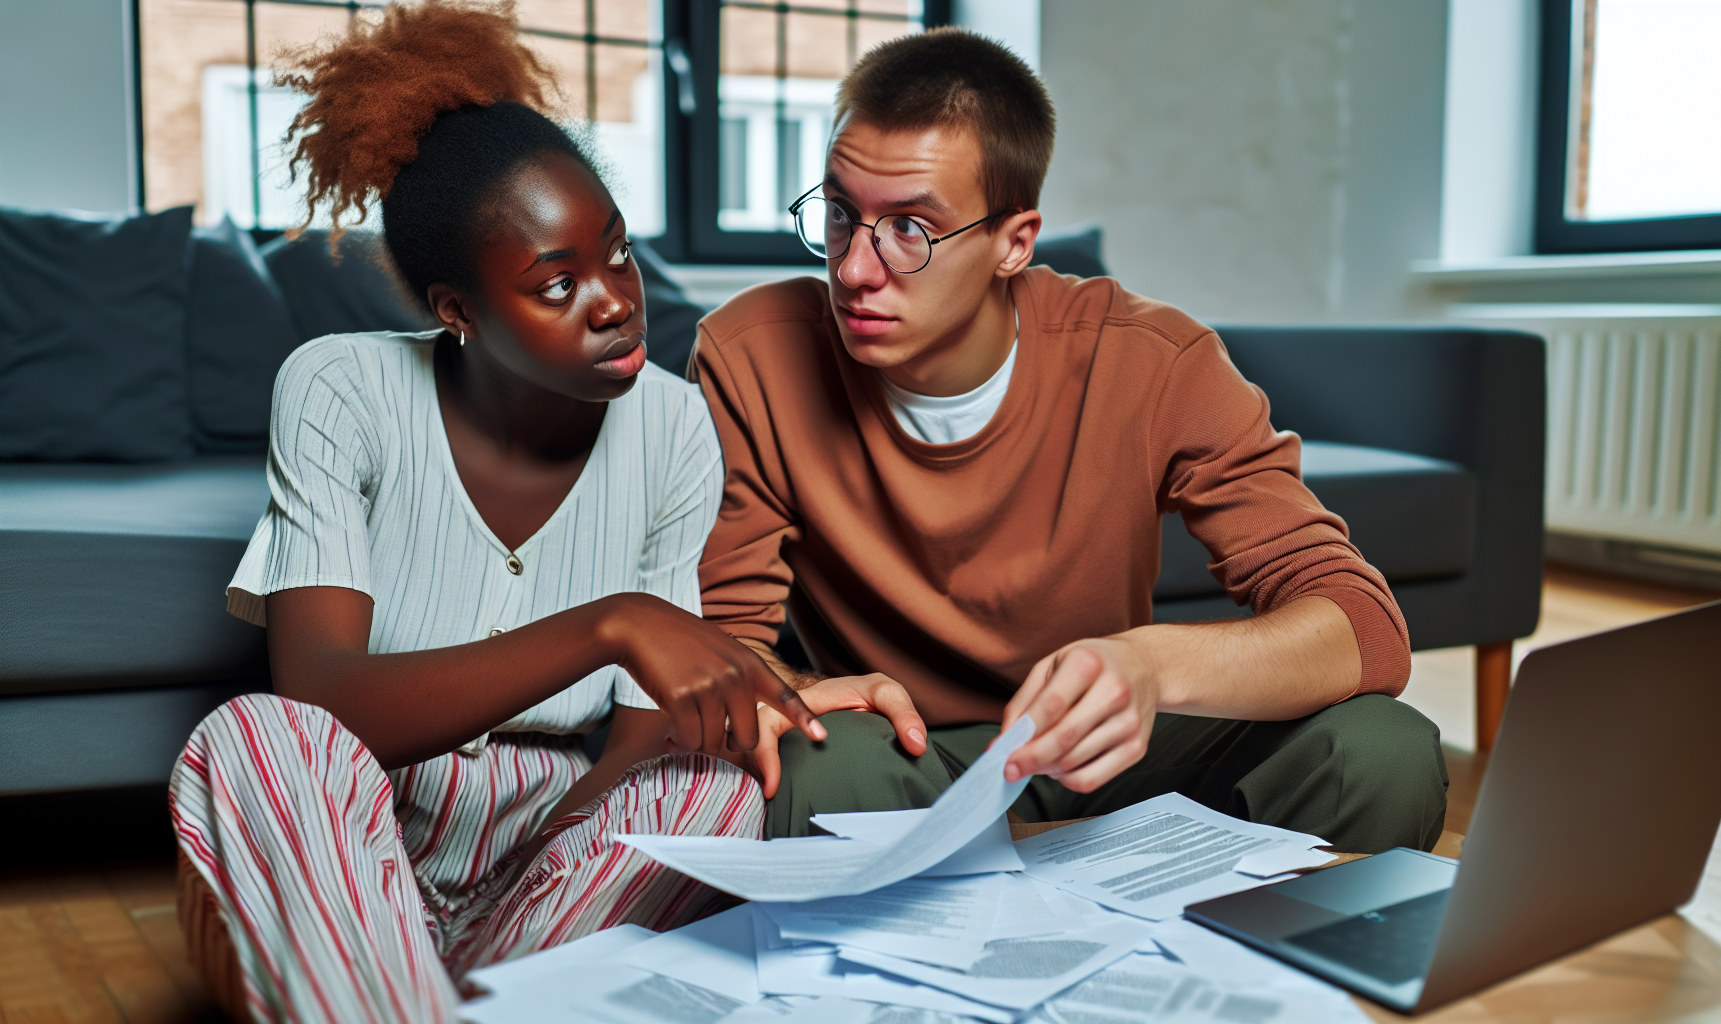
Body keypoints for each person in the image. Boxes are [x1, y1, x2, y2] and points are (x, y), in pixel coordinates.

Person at [167, 4, 862, 1020]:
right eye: (557, 282)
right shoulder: (339, 388)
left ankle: (454, 1000)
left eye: (616, 253)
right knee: (259, 737)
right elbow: (324, 700)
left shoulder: (672, 426)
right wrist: (608, 621)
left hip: (533, 885)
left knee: (709, 788)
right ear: (460, 312)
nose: (616, 300)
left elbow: (632, 745)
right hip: (347, 871)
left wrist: (764, 696)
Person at [697, 28, 1449, 853]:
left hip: (1112, 749)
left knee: (1381, 751)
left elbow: (1363, 627)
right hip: (906, 753)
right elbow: (717, 643)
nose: (853, 269)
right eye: (842, 214)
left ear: (1014, 242)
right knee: (813, 766)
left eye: (911, 228)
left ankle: (1237, 977)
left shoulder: (1154, 361)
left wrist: (1151, 668)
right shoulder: (752, 356)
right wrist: (804, 689)